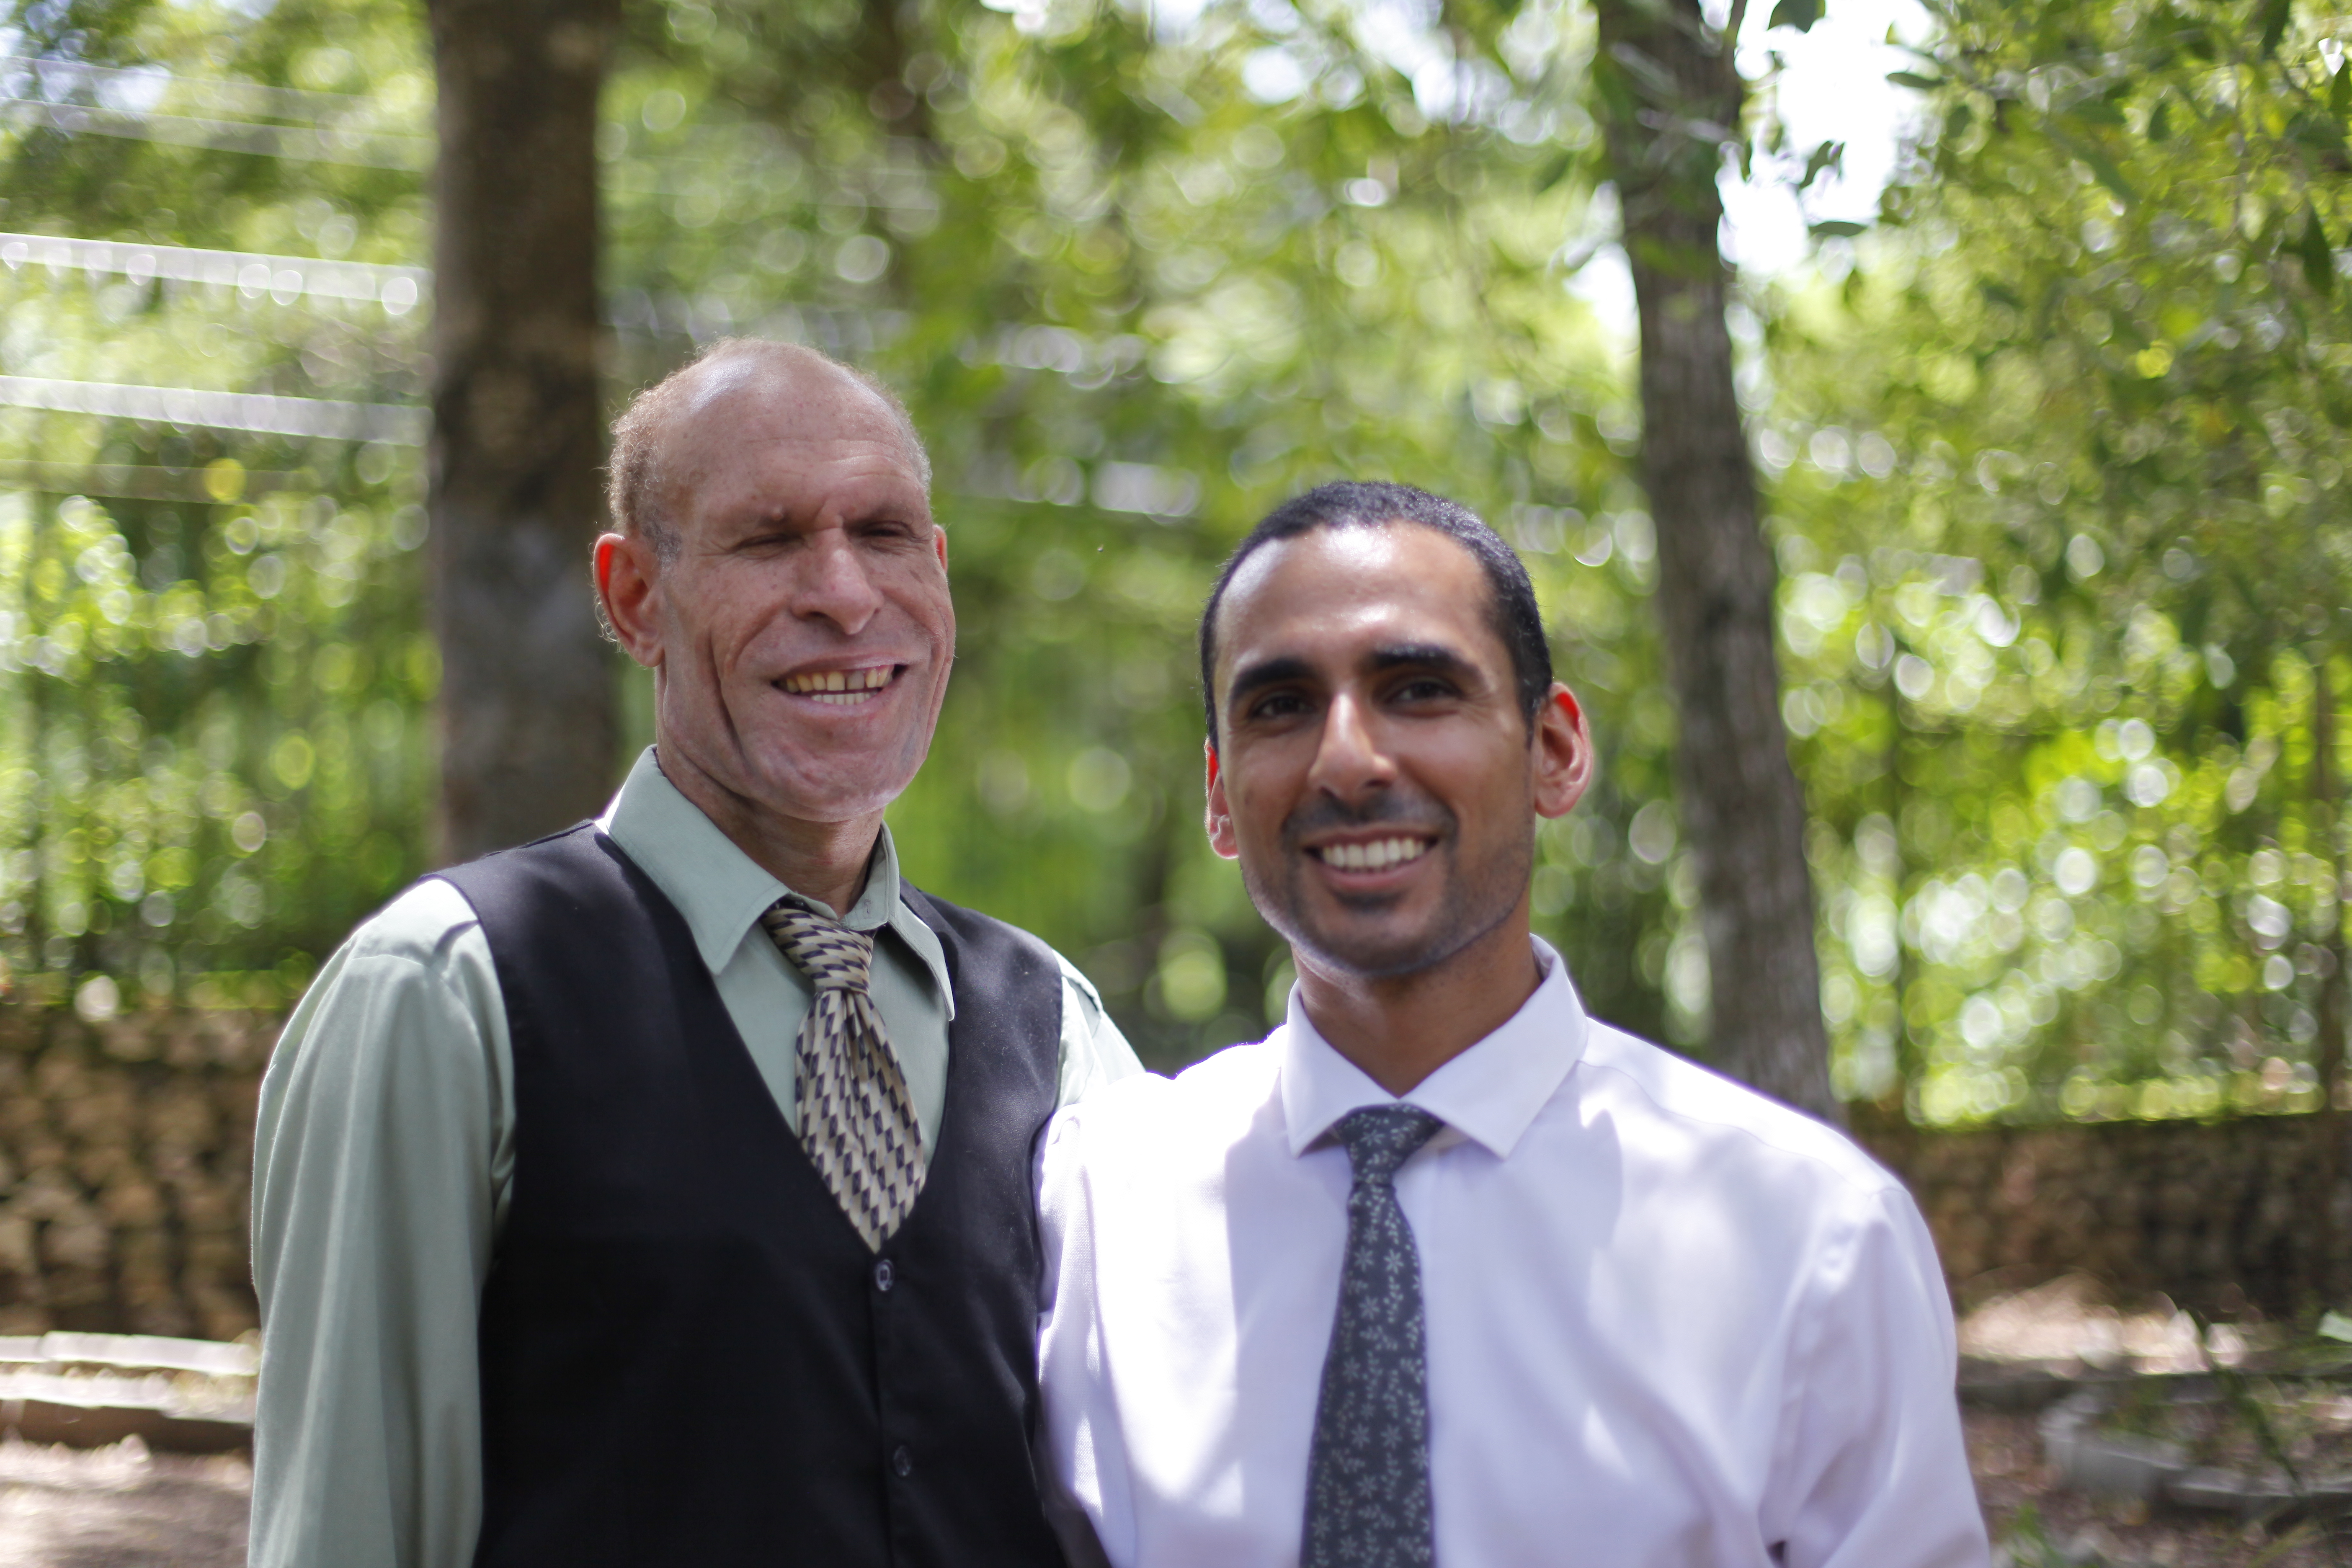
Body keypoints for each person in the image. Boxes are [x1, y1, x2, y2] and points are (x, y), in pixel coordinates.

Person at [250, 339, 1139, 1568]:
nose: (841, 592)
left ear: (937, 575)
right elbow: (349, 1532)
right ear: (634, 600)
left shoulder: (1055, 1028)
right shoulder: (450, 994)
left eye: (883, 534)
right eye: (768, 540)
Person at [1036, 481, 1988, 1568]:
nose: (1347, 759)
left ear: (1555, 751)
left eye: (1420, 690)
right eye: (1281, 707)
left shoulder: (1808, 1234)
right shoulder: (1096, 1212)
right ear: (1219, 793)